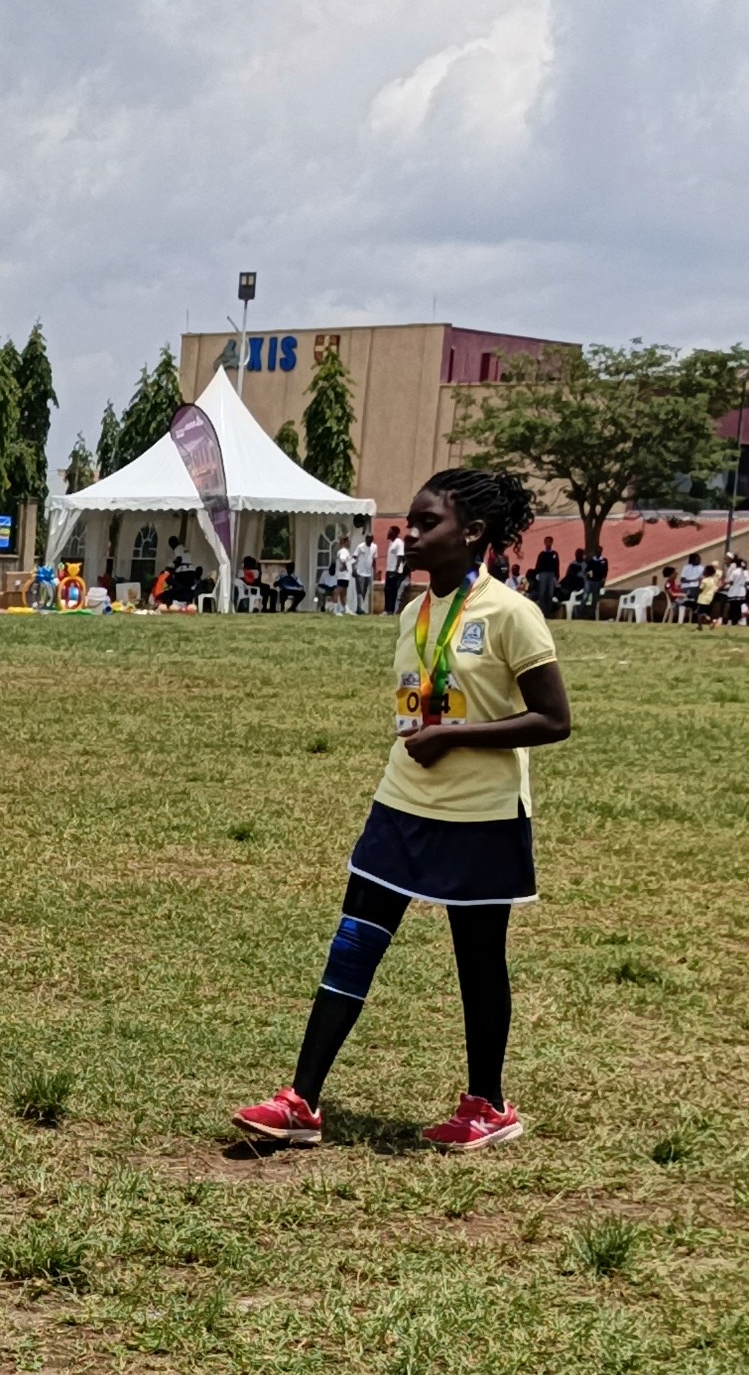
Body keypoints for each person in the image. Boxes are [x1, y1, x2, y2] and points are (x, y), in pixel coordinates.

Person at [231, 462, 572, 1155]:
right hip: (403, 803)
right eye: (409, 522)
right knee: (353, 943)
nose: (408, 534)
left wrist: (454, 736)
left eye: (426, 523)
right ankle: (301, 1101)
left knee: (479, 962)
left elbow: (554, 719)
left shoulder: (511, 614)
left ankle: (487, 1105)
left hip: (481, 816)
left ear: (472, 532)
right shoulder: (414, 612)